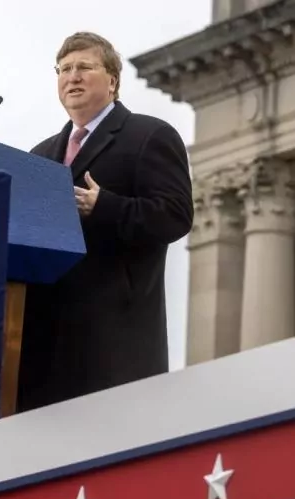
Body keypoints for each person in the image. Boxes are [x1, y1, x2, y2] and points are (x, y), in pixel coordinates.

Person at [16, 32, 194, 412]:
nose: (72, 77)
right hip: (44, 348)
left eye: (84, 67)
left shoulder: (149, 135)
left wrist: (105, 206)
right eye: (64, 69)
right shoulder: (39, 156)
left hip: (115, 343)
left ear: (112, 80)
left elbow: (175, 215)